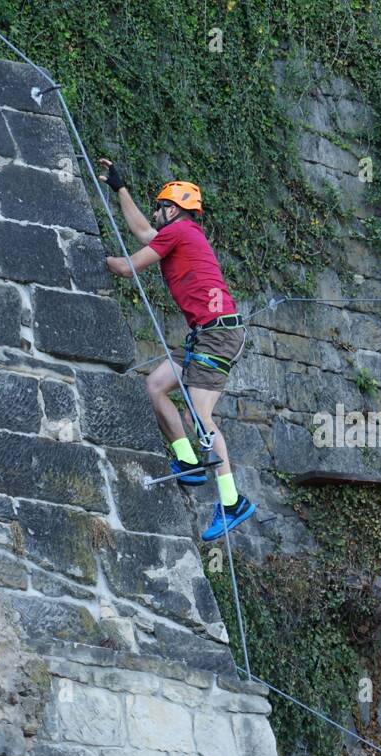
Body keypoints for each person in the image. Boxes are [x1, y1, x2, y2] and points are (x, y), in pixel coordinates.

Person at [99, 159, 255, 542]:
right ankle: (187, 460)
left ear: (174, 209)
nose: (156, 213)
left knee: (201, 416)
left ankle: (232, 501)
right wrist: (120, 189)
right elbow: (143, 231)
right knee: (155, 386)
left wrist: (93, 258)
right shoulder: (181, 235)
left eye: (160, 206)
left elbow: (126, 267)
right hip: (209, 335)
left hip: (217, 335)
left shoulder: (182, 231)